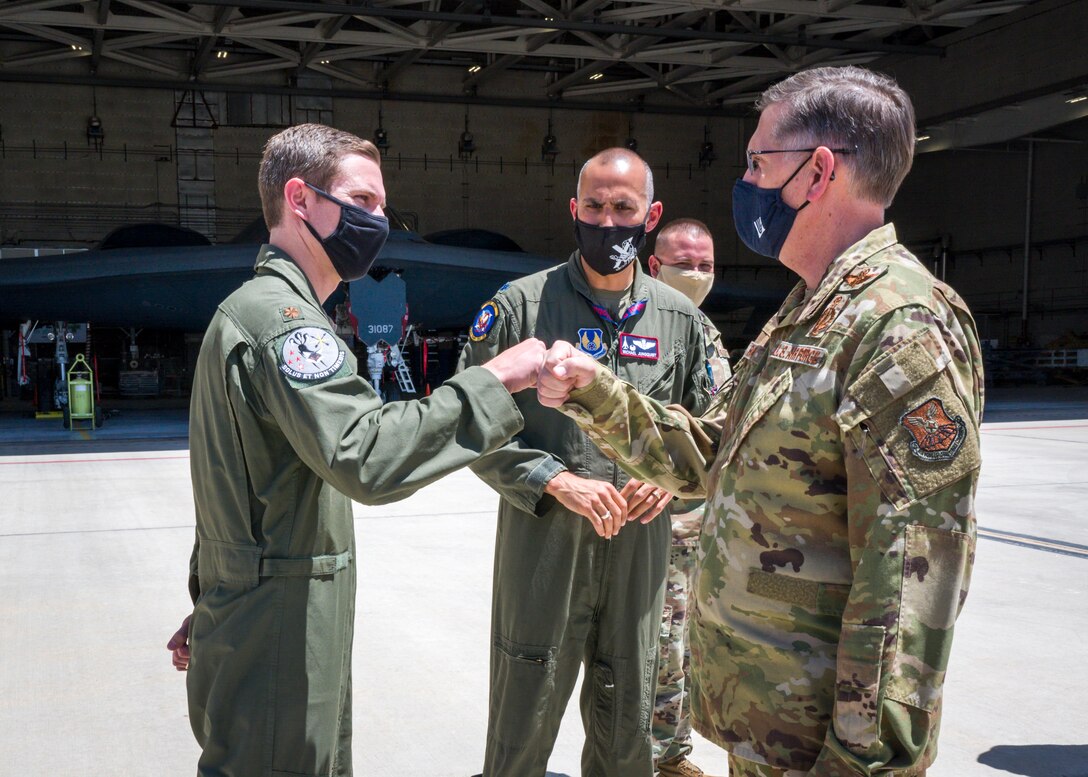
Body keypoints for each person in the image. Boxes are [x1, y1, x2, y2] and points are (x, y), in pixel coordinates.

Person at [538, 66, 983, 777]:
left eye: (756, 161)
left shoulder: (899, 326)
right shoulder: (807, 310)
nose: (743, 181)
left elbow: (910, 578)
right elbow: (714, 452)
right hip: (770, 726)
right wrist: (597, 393)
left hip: (825, 752)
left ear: (817, 172)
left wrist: (862, 760)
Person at [165, 123, 546, 777]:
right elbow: (365, 456)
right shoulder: (286, 328)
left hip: (260, 614)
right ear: (300, 199)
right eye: (363, 201)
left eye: (382, 206)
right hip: (278, 629)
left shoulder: (250, 312)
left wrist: (212, 598)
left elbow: (237, 486)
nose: (379, 220)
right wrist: (495, 379)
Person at [458, 148, 713, 777]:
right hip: (545, 543)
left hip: (640, 548)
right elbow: (467, 420)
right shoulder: (520, 307)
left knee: (629, 717)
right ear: (574, 210)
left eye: (622, 208)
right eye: (594, 206)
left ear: (649, 216)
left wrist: (672, 487)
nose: (607, 220)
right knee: (524, 708)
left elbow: (713, 435)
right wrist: (553, 478)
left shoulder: (682, 322)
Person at [645, 219, 730, 777]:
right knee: (657, 644)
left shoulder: (708, 335)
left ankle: (671, 753)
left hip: (697, 522)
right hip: (646, 516)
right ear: (655, 266)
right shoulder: (639, 325)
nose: (696, 275)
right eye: (684, 265)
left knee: (684, 644)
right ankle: (652, 757)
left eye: (706, 266)